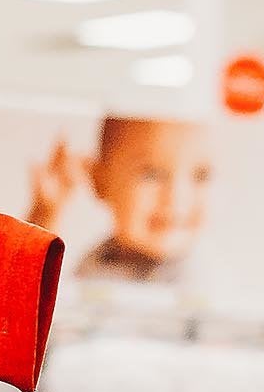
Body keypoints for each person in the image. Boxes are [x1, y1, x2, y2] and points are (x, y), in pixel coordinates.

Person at [28, 113, 212, 280]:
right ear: (101, 182)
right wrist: (46, 213)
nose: (177, 197)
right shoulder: (100, 261)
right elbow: (32, 288)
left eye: (200, 175)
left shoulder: (202, 281)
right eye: (152, 174)